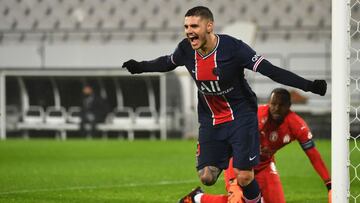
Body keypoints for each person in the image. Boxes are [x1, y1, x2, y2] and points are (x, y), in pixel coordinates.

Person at [122, 6, 327, 203]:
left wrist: (309, 86)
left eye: (194, 26)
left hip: (241, 117)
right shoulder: (185, 49)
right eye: (186, 27)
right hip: (211, 121)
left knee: (244, 176)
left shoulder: (234, 48)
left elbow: (271, 70)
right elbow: (166, 62)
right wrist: (139, 67)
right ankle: (199, 196)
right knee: (207, 177)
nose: (189, 32)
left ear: (209, 26)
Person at [179, 88, 331, 203]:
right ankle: (198, 198)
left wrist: (329, 185)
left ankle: (197, 198)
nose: (276, 108)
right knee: (238, 200)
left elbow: (313, 155)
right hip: (239, 165)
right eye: (273, 104)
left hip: (265, 165)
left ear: (289, 107)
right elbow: (233, 149)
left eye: (281, 105)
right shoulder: (255, 117)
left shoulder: (297, 125)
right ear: (269, 103)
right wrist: (233, 182)